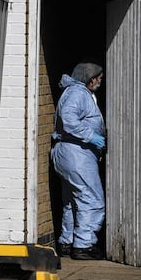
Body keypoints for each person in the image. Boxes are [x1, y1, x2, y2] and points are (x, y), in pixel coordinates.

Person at [51, 62, 106, 260]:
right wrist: (90, 135)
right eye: (99, 79)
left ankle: (67, 242)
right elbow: (69, 119)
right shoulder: (78, 94)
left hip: (68, 152)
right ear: (90, 79)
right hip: (77, 154)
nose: (100, 82)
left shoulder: (73, 91)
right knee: (92, 200)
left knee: (73, 201)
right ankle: (84, 245)